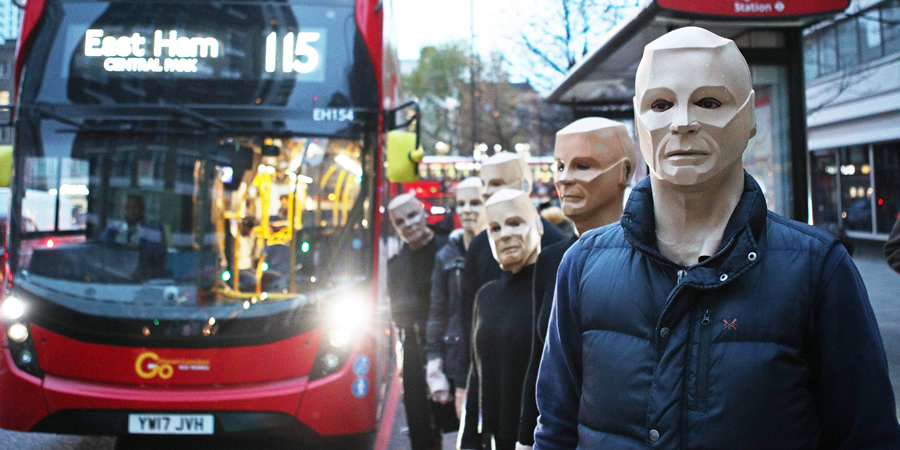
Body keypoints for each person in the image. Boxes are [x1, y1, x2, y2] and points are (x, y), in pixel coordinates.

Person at [535, 26, 900, 448]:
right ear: (638, 122)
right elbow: (556, 428)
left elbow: (866, 435)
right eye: (660, 103)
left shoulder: (817, 269)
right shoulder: (583, 266)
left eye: (709, 102)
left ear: (748, 118)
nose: (683, 122)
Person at [516, 117, 635, 450]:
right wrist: (526, 439)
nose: (565, 179)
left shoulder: (651, 258)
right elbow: (541, 360)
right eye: (559, 166)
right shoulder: (551, 261)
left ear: (623, 173)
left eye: (583, 166)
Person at [459, 153, 566, 390]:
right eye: (484, 183)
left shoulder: (558, 245)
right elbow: (467, 317)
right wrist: (464, 381)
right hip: (490, 377)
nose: (486, 192)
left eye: (496, 183)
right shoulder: (479, 246)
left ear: (524, 186)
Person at [460, 189, 542, 450]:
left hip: (541, 437)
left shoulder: (554, 288)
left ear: (537, 225)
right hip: (494, 438)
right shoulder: (486, 296)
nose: (504, 234)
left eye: (515, 223)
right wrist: (469, 438)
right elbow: (478, 373)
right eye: (494, 228)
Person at [387, 193, 452, 450]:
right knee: (422, 423)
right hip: (415, 350)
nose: (409, 224)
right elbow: (397, 314)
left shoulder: (450, 248)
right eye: (401, 221)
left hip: (452, 345)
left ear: (424, 213)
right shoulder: (396, 265)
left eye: (413, 215)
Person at [425, 177, 487, 419]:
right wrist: (434, 363)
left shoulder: (499, 250)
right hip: (459, 358)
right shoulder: (446, 256)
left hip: (493, 357)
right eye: (462, 204)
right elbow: (438, 311)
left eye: (476, 202)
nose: (468, 210)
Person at [100, 194, 166, 268]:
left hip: (143, 273)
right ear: (122, 209)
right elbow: (100, 248)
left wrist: (138, 250)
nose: (131, 210)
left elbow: (157, 254)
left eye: (135, 207)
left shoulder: (153, 229)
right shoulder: (113, 228)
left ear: (142, 209)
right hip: (114, 271)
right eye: (127, 207)